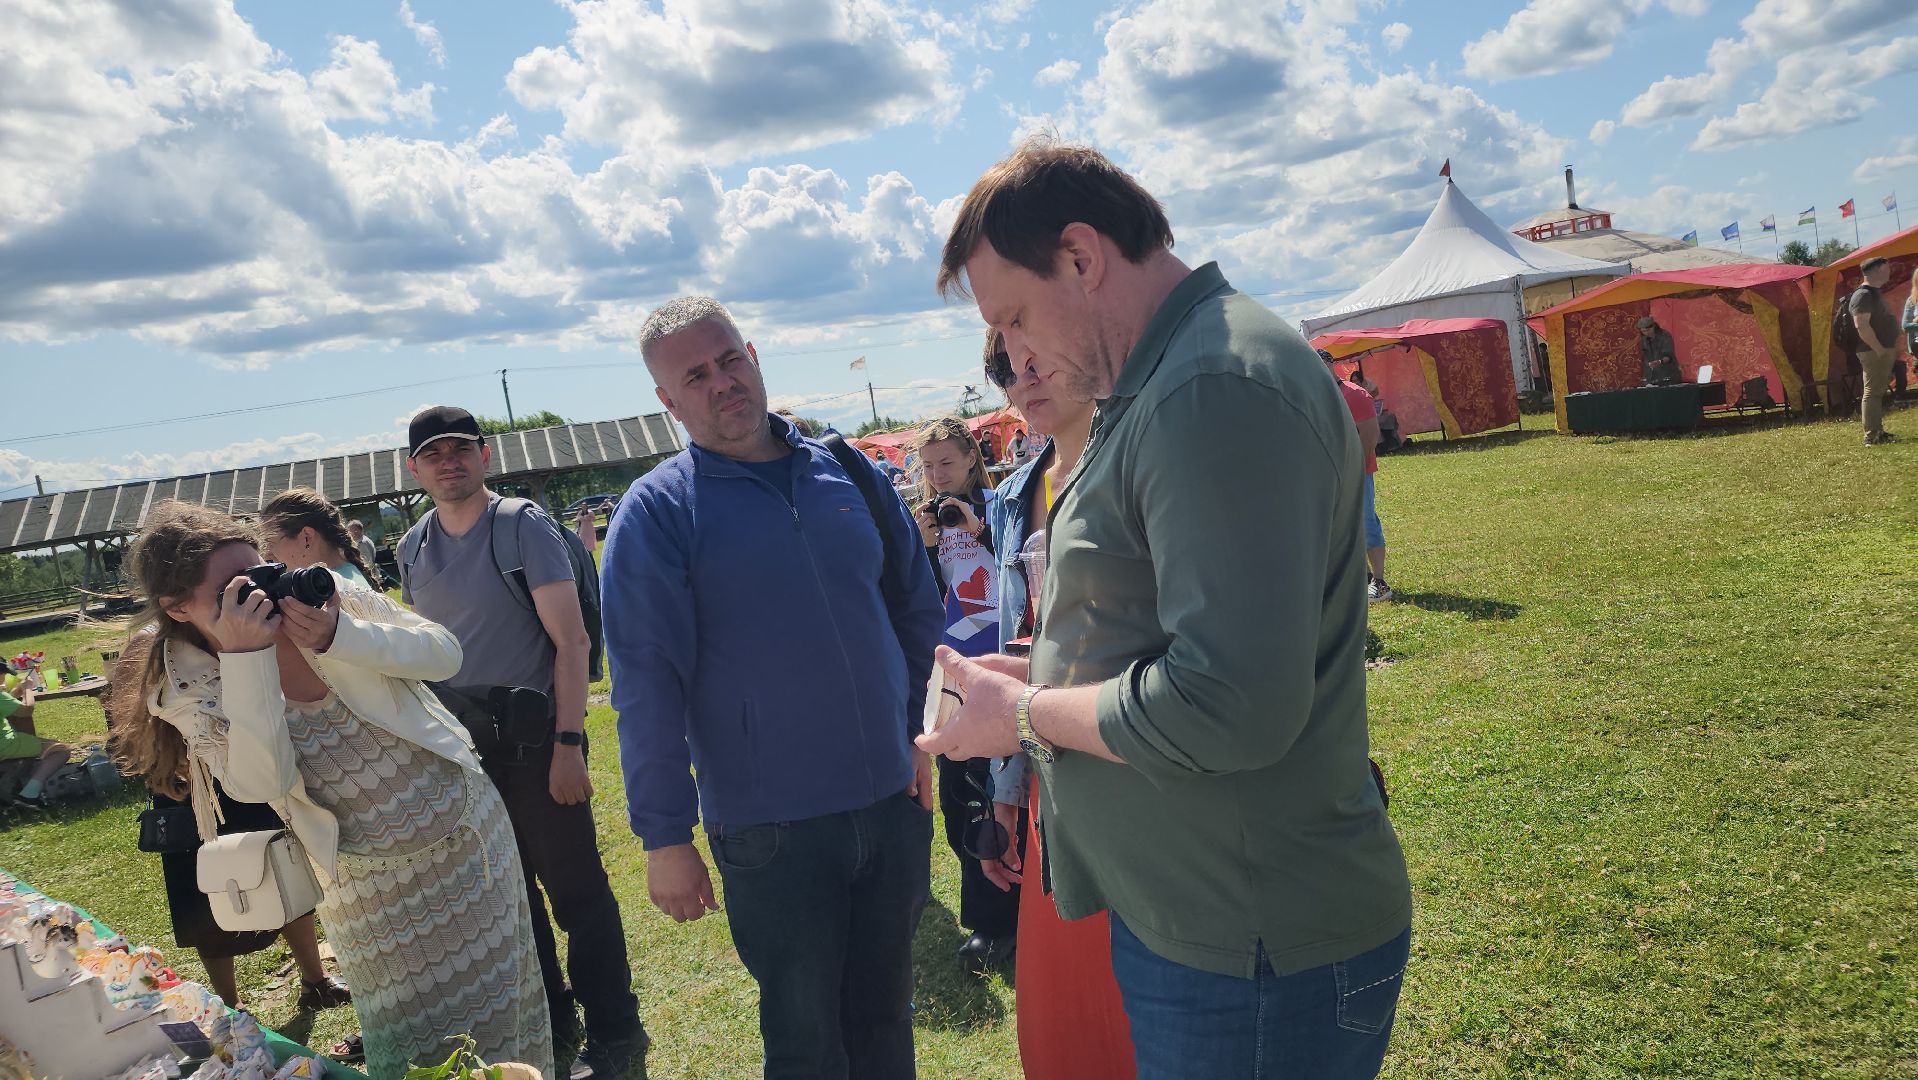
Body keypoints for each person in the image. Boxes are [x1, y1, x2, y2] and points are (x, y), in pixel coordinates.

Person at [926, 140, 1412, 1079]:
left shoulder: (1208, 388)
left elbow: (1229, 701)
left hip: (1255, 949)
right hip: (1218, 931)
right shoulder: (1166, 381)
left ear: (1081, 255)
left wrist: (1024, 715)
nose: (1014, 354)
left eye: (1015, 318)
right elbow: (1176, 632)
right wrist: (1040, 673)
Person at [602, 296, 943, 1080]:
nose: (722, 382)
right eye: (695, 374)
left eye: (729, 359)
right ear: (667, 399)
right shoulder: (657, 512)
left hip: (892, 804)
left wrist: (927, 731)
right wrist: (663, 836)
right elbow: (646, 683)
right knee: (804, 1041)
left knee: (887, 1020)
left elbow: (915, 606)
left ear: (753, 354)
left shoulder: (847, 469)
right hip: (772, 831)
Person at [113, 501, 552, 1077]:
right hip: (368, 888)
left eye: (260, 572)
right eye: (232, 590)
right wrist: (247, 661)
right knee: (414, 1045)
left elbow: (445, 654)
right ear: (178, 607)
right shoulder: (184, 683)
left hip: (469, 836)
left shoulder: (320, 598)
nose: (259, 596)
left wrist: (342, 634)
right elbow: (261, 780)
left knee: (508, 1007)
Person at [398, 406, 646, 1080]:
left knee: (576, 890)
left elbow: (572, 642)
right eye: (434, 453)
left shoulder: (520, 527)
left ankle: (616, 1027)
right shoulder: (412, 547)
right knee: (508, 894)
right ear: (414, 468)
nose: (449, 462)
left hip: (538, 742)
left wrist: (569, 744)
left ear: (484, 455)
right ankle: (551, 1016)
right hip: (466, 751)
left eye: (461, 449)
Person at [979, 330, 1136, 1079]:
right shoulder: (1016, 497)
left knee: (1135, 998)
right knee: (1063, 1015)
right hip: (1048, 769)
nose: (1024, 378)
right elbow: (1030, 646)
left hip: (1132, 764)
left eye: (1037, 355)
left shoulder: (1136, 458)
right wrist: (1006, 791)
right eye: (1009, 368)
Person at [110, 639, 351, 1013]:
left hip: (247, 772)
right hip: (187, 786)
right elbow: (129, 718)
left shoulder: (226, 629)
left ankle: (315, 981)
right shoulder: (147, 643)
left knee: (282, 869)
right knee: (202, 895)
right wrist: (160, 767)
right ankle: (230, 1004)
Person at [909, 415, 1017, 972]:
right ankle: (997, 910)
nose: (937, 476)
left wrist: (984, 529)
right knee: (958, 795)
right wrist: (924, 547)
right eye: (927, 466)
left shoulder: (1002, 506)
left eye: (947, 462)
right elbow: (914, 598)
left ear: (972, 458)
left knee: (998, 788)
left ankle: (999, 919)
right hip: (949, 672)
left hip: (1002, 665)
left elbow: (1024, 571)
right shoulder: (920, 523)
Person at [1321, 351, 1392, 603]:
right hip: (1328, 474)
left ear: (1330, 365)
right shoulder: (1318, 395)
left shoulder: (1354, 394)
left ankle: (1380, 582)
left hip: (1356, 472)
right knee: (1340, 527)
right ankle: (1361, 577)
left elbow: (1371, 435)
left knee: (1365, 522)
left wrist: (1354, 469)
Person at [260, 489, 377, 590]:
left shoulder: (332, 595)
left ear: (307, 537)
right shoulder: (344, 581)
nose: (267, 555)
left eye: (270, 542)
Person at [1851, 257, 1899, 445]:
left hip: (1879, 349)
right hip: (1873, 351)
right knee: (1872, 392)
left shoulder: (1873, 293)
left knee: (1877, 392)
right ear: (1877, 270)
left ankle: (1878, 432)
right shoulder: (1864, 295)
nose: (1889, 272)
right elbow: (1861, 326)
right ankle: (1872, 436)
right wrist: (1879, 349)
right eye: (1886, 269)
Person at [0, 684, 72, 808]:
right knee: (61, 750)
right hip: (6, 744)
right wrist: (28, 688)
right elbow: (27, 710)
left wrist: (13, 694)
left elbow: (5, 705)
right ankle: (29, 794)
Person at [1637, 316, 1680, 386]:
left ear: (1653, 327)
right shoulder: (1643, 339)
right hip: (1651, 376)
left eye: (1648, 330)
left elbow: (1669, 356)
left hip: (1668, 374)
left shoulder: (1665, 336)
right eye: (1643, 331)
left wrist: (1659, 361)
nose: (1646, 333)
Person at [345, 519, 384, 589]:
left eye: (354, 530)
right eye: (350, 530)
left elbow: (367, 562)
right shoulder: (364, 540)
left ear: (360, 530)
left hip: (366, 574)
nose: (351, 533)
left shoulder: (362, 543)